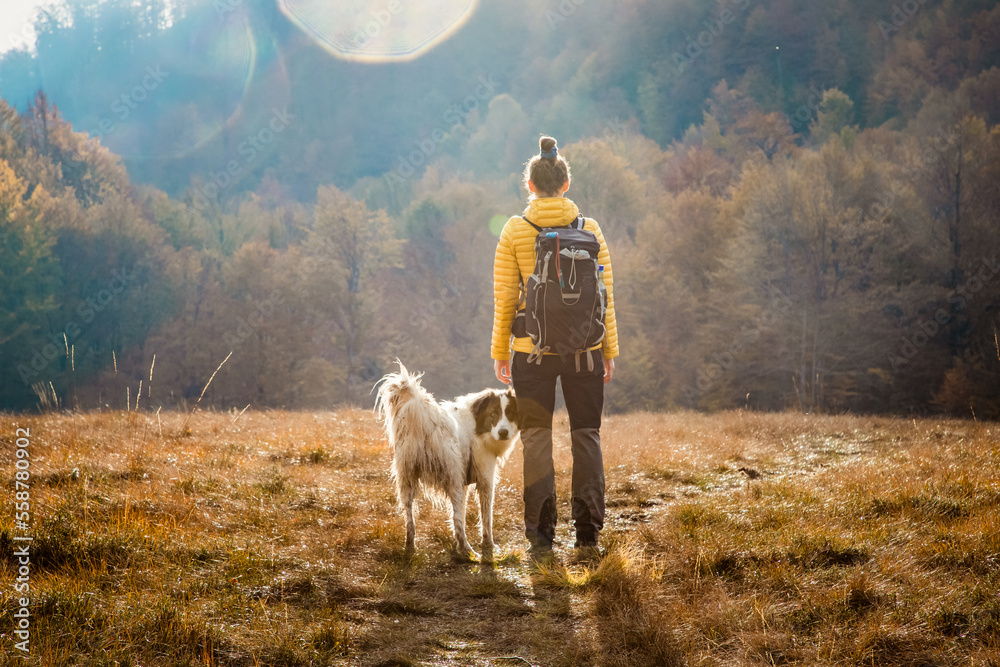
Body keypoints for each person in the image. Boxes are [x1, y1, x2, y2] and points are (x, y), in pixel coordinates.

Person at [490, 136, 619, 562]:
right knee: (587, 437)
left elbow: (505, 297)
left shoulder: (514, 229)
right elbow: (606, 297)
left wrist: (501, 351)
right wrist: (609, 350)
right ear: (565, 184)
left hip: (530, 352)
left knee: (538, 442)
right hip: (586, 350)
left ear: (529, 184)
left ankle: (541, 537)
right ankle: (588, 536)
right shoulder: (590, 229)